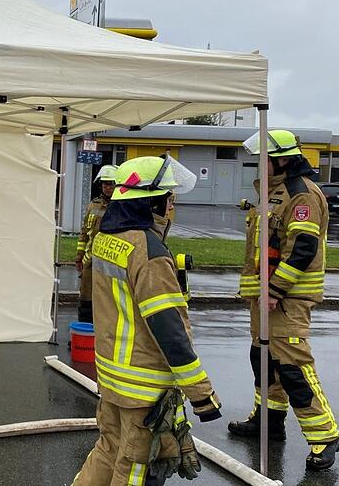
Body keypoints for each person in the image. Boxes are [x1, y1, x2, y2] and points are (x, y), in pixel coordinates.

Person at [73, 156, 222, 485]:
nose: (172, 207)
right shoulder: (149, 251)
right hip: (144, 387)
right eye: (170, 199)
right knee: (136, 465)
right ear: (154, 202)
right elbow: (169, 330)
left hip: (111, 376)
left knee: (107, 449)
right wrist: (202, 395)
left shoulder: (106, 239)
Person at [228, 129, 339, 471]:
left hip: (287, 297)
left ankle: (325, 436)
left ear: (279, 160)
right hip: (265, 297)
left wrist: (276, 290)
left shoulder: (301, 194)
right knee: (264, 359)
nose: (257, 166)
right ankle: (268, 421)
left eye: (262, 160)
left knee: (292, 366)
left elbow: (302, 249)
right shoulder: (273, 192)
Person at [75, 165, 117, 322]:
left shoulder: (120, 206)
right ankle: (84, 332)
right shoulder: (93, 205)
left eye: (111, 183)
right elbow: (85, 231)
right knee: (86, 296)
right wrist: (79, 256)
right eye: (105, 183)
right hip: (90, 261)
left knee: (107, 299)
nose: (107, 187)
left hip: (110, 260)